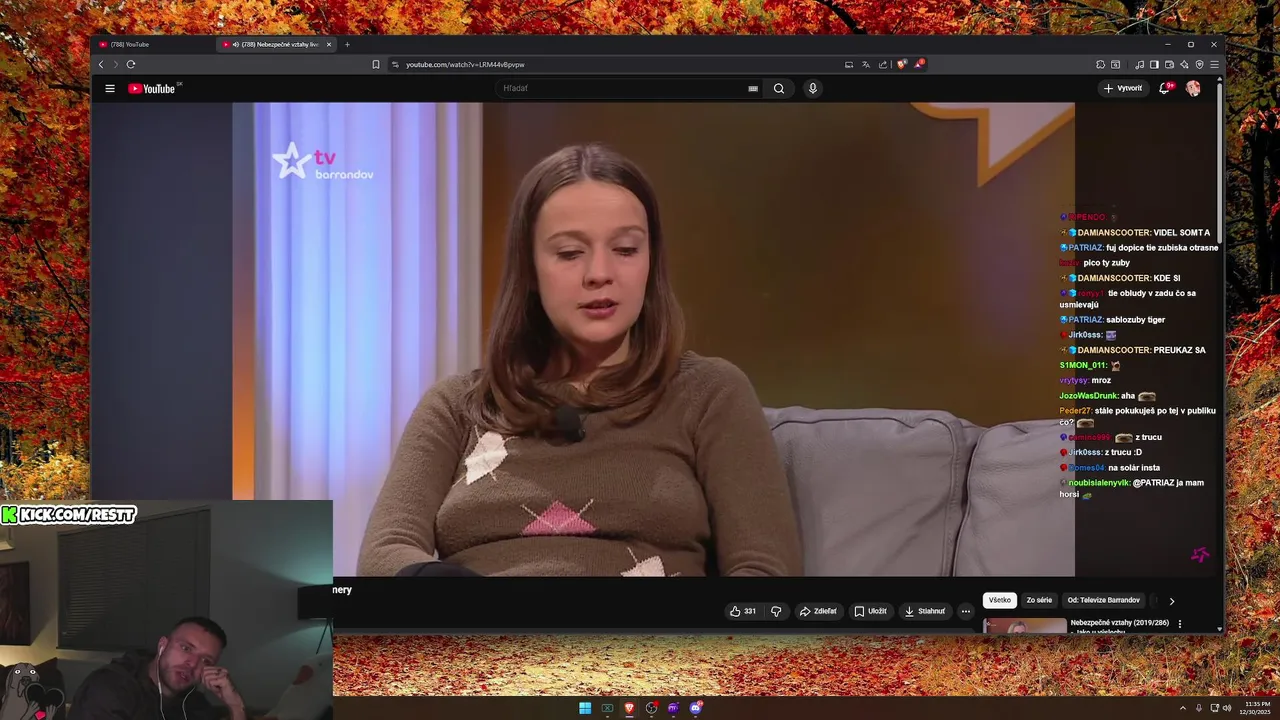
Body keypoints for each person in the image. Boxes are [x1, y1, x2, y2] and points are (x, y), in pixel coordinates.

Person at [358, 142, 803, 577]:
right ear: (530, 269)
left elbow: (765, 568)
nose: (600, 274)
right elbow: (385, 550)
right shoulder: (458, 406)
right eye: (570, 253)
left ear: (651, 261)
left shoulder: (708, 393)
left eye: (626, 250)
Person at [69, 617, 245, 720]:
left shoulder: (194, 704)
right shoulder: (111, 688)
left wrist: (236, 706)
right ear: (162, 646)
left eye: (206, 660)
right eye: (186, 648)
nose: (192, 664)